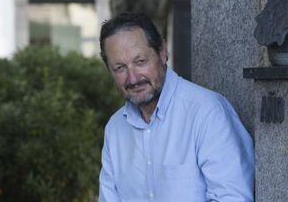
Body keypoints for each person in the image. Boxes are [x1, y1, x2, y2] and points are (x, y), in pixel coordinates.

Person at [98, 12, 254, 201]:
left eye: (140, 62)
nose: (132, 78)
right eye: (120, 68)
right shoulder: (115, 129)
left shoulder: (207, 113)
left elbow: (232, 198)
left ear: (163, 52)